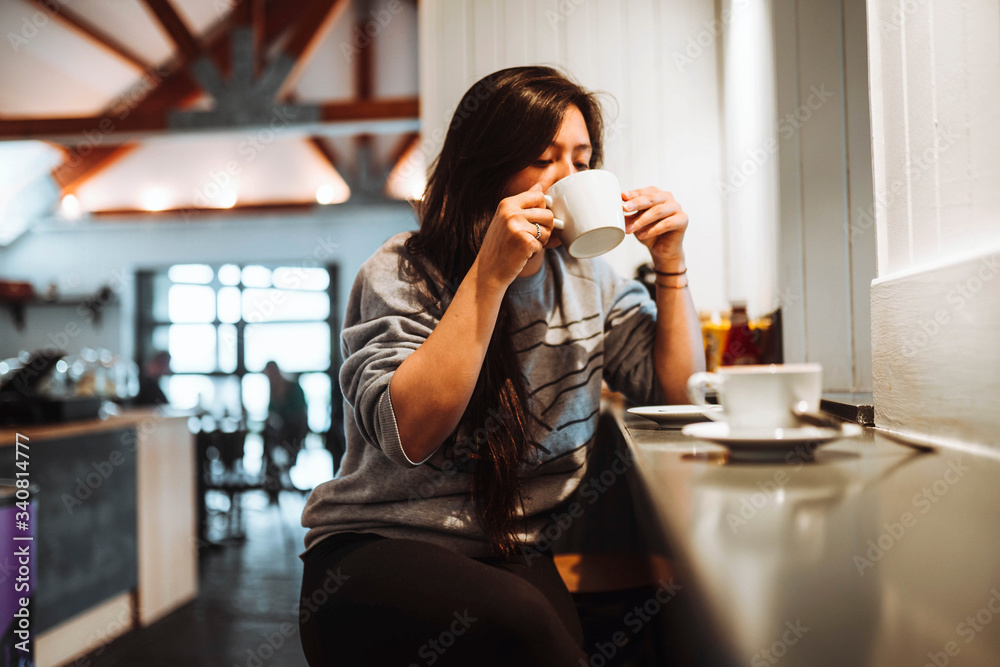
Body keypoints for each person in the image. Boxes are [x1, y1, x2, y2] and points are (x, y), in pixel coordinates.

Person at [298, 66, 705, 666]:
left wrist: (671, 263)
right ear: (487, 169)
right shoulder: (401, 272)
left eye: (583, 160)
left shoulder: (589, 278)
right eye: (545, 159)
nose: (570, 177)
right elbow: (409, 434)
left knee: (568, 641)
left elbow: (677, 391)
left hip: (510, 550)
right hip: (375, 547)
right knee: (529, 625)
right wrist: (490, 276)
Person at [263, 360, 308, 503]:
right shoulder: (273, 390)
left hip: (294, 431)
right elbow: (271, 413)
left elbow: (299, 416)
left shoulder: (293, 387)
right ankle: (272, 483)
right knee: (267, 434)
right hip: (280, 432)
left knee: (272, 439)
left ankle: (274, 480)